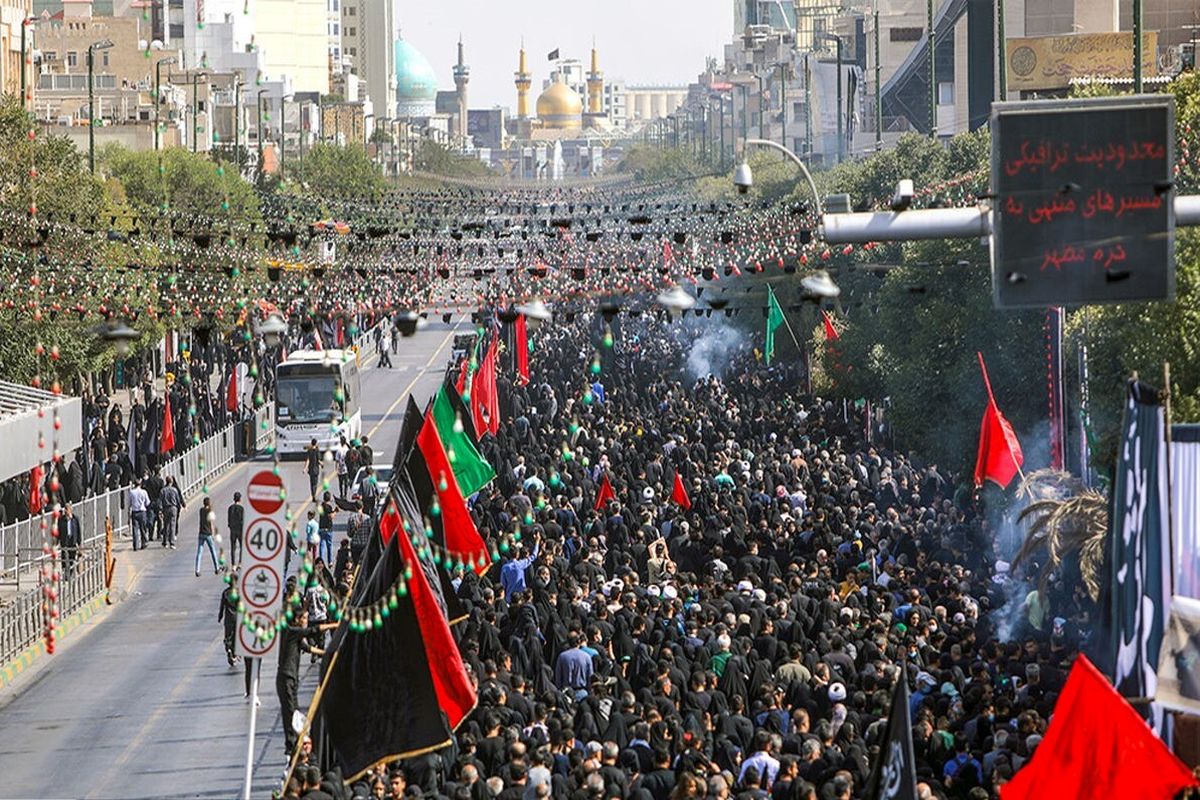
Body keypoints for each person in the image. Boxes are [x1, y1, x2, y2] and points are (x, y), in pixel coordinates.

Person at [277, 603, 325, 756]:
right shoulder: (292, 632)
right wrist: (334, 624)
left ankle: (294, 743)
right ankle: (291, 746)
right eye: (304, 618)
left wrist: (327, 653)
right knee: (290, 711)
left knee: (293, 711)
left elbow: (308, 648)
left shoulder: (293, 633)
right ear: (297, 619)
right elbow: (313, 630)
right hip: (287, 676)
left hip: (291, 678)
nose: (306, 620)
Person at [219, 567, 240, 666]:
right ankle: (234, 653)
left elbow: (222, 606)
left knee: (228, 635)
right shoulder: (240, 592)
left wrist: (220, 616)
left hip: (228, 617)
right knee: (236, 635)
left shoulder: (225, 592)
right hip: (238, 617)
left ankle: (228, 649)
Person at [195, 496, 220, 576]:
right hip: (208, 533)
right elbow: (211, 524)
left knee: (199, 552)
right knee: (213, 551)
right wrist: (213, 534)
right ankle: (217, 568)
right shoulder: (210, 512)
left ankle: (197, 570)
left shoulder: (201, 510)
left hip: (201, 533)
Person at [58, 502, 82, 576]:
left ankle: (70, 573)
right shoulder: (61, 520)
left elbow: (78, 531)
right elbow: (59, 531)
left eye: (67, 509)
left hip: (72, 541)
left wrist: (79, 542)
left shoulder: (75, 519)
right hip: (65, 541)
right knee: (64, 558)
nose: (66, 511)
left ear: (71, 510)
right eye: (65, 509)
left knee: (72, 558)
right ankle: (65, 573)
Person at [159, 476, 183, 549]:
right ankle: (172, 543)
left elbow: (160, 501)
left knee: (166, 525)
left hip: (165, 508)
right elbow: (178, 500)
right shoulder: (175, 490)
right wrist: (179, 507)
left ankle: (165, 542)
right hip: (173, 508)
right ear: (171, 482)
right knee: (172, 525)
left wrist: (160, 510)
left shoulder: (163, 490)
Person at [128, 480, 150, 551]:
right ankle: (143, 543)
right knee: (143, 528)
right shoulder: (144, 492)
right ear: (140, 484)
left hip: (134, 512)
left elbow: (129, 503)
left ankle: (135, 545)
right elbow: (147, 502)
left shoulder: (131, 492)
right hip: (142, 511)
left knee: (135, 529)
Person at [227, 492, 245, 566]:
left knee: (233, 547)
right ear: (240, 499)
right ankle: (240, 562)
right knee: (242, 546)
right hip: (240, 530)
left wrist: (231, 527)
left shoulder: (230, 508)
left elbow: (229, 519)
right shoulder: (241, 509)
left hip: (233, 530)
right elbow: (243, 520)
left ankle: (233, 564)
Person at [318, 491, 336, 565]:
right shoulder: (329, 507)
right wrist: (335, 512)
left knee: (322, 545)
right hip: (328, 528)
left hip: (321, 527)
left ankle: (320, 561)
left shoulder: (321, 506)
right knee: (329, 546)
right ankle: (330, 561)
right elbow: (330, 516)